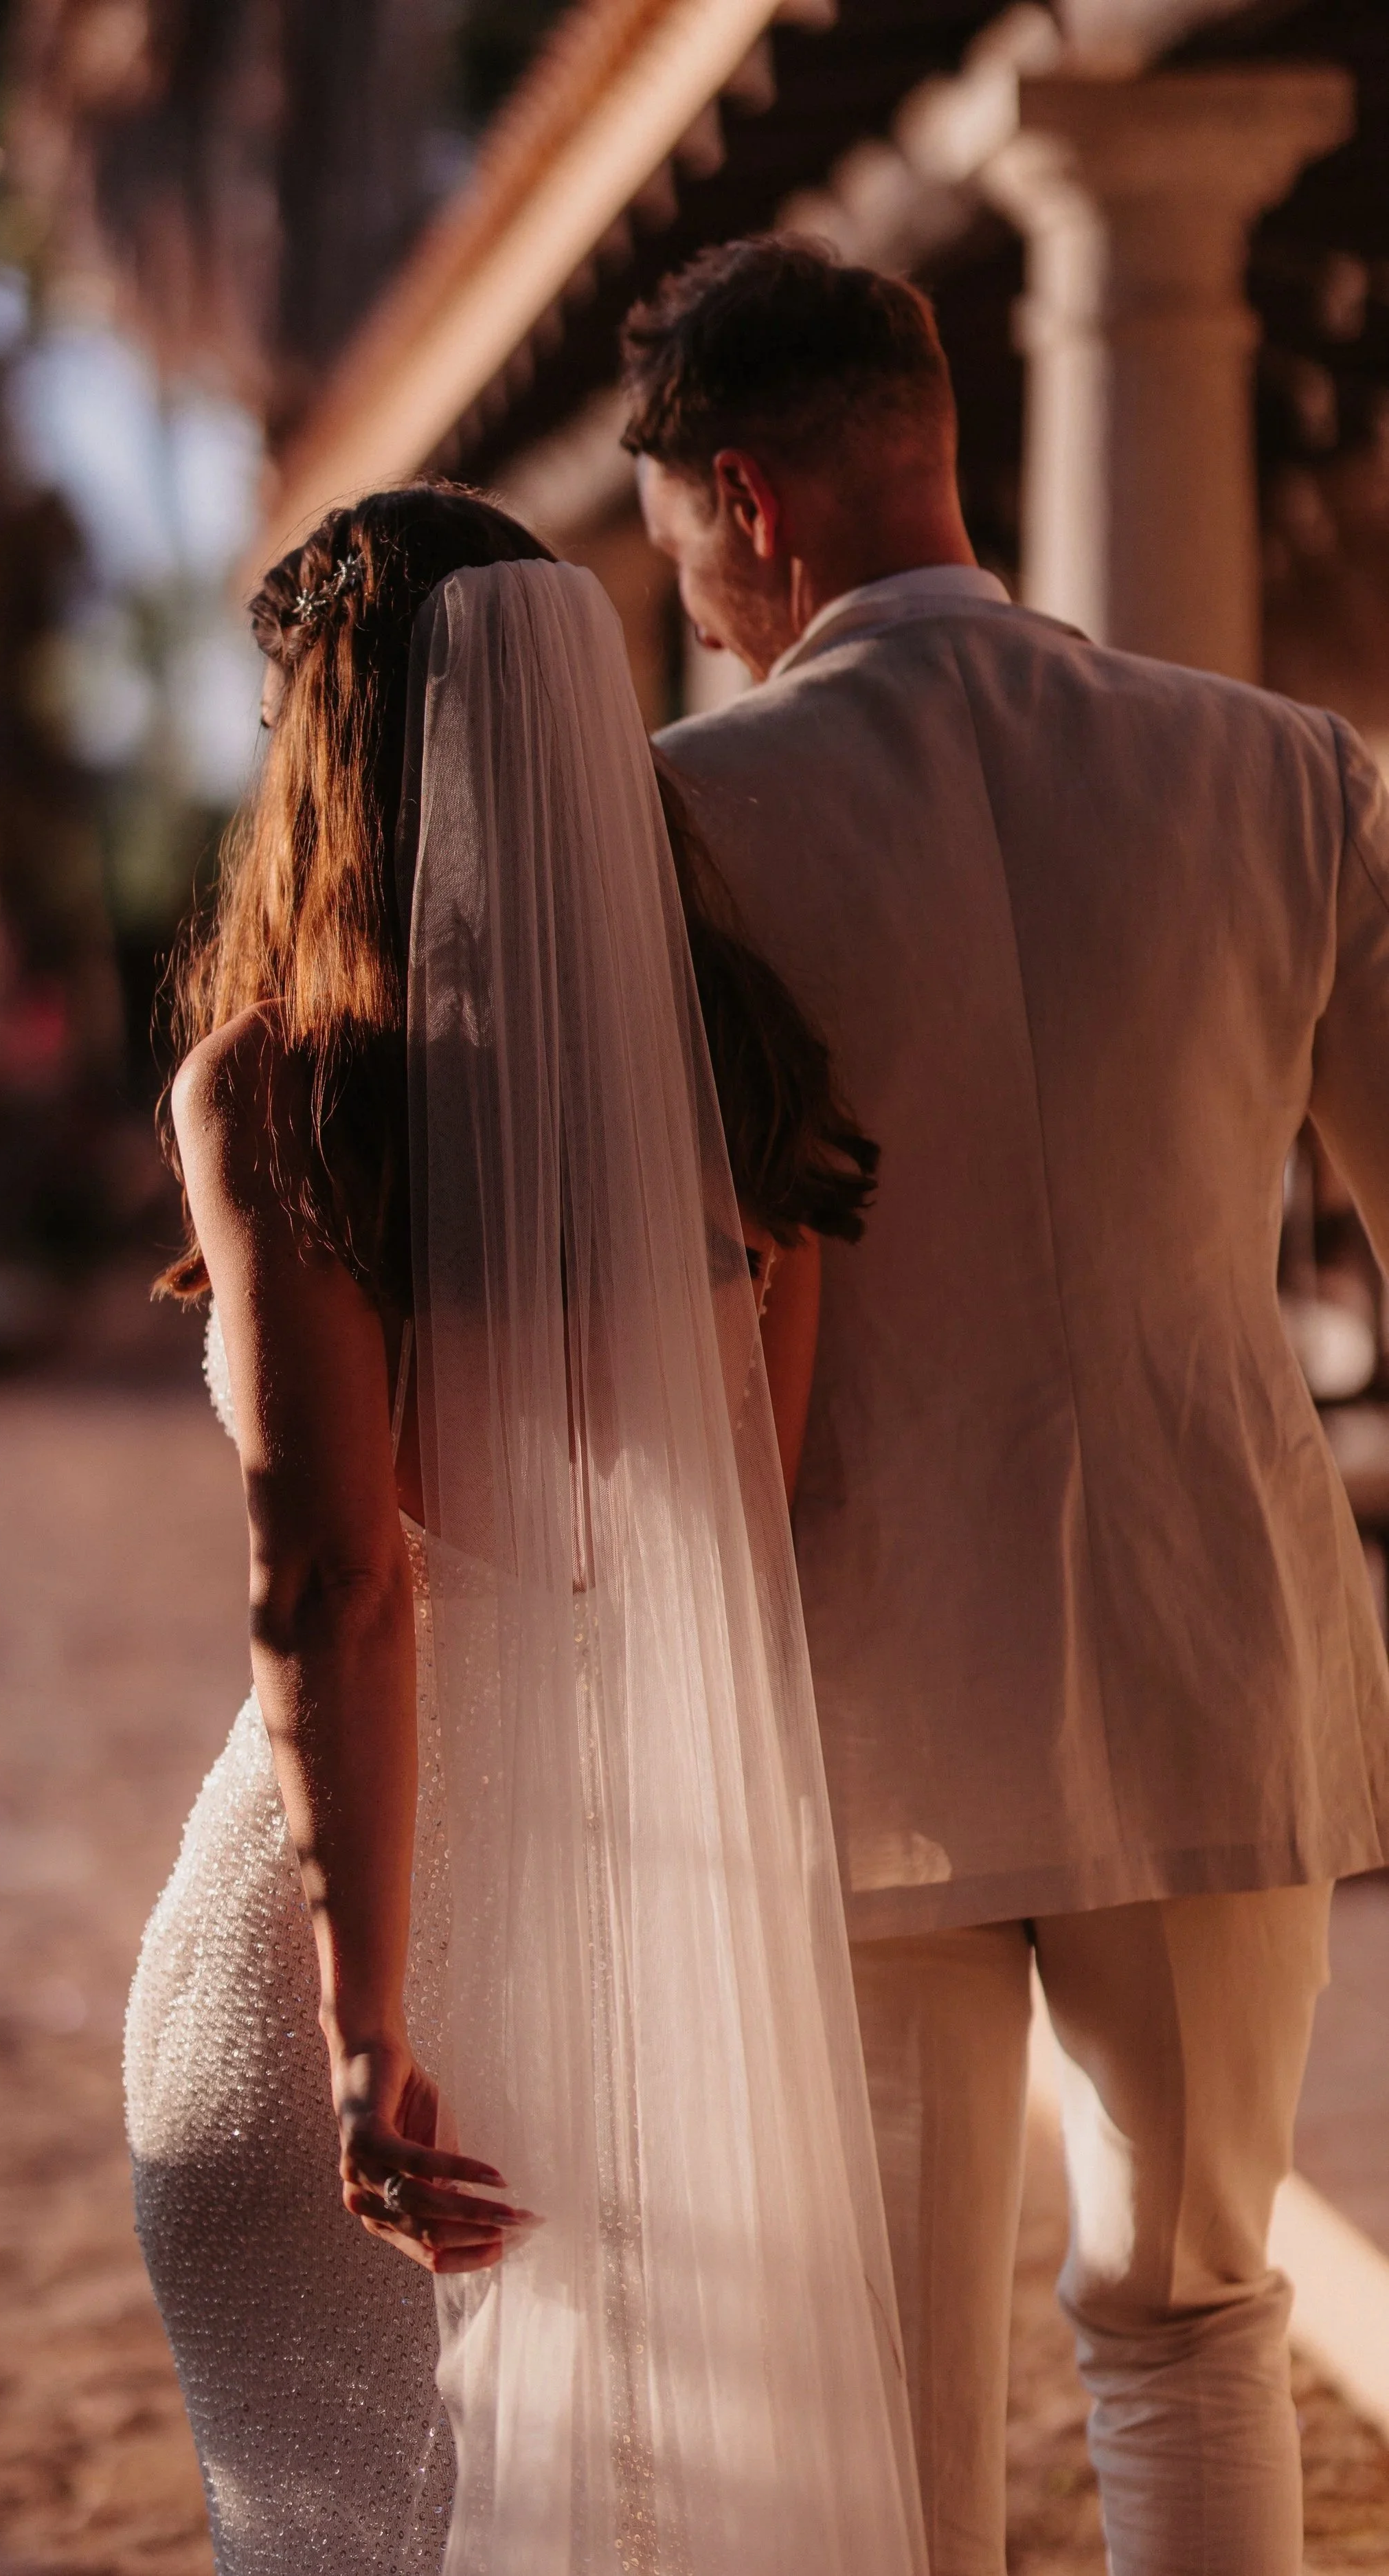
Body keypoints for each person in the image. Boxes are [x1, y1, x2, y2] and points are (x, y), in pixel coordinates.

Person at [631, 234, 1389, 2576]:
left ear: (745, 501)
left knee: (879, 2387)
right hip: (1210, 1648)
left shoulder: (674, 817)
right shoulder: (1285, 775)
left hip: (848, 1691)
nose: (701, 607)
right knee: (1190, 2319)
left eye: (680, 556)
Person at [124, 485, 927, 2576]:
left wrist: (365, 2019)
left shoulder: (283, 1090)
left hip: (351, 1937)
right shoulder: (750, 1096)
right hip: (637, 1940)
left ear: (326, 751)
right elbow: (722, 1567)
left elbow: (335, 1585)